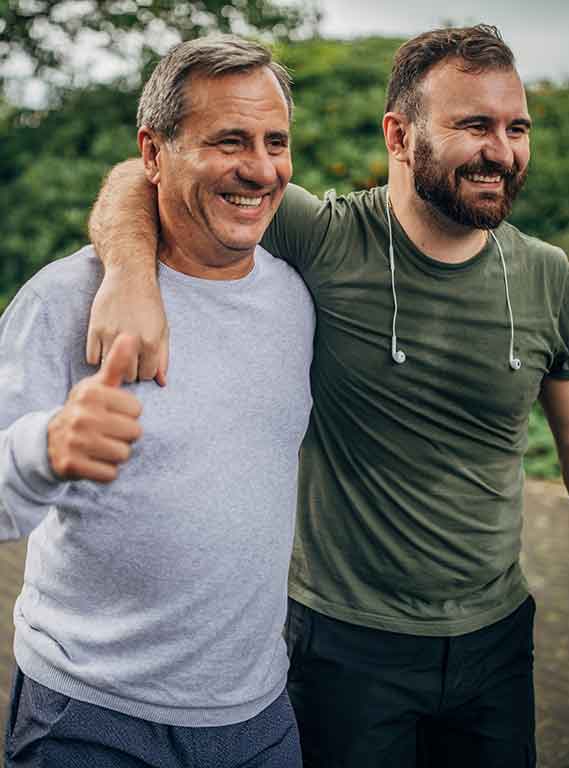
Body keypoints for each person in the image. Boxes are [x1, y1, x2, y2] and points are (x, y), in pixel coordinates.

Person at [84, 25, 569, 768]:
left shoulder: (546, 274)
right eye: (474, 125)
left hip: (497, 639)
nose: (502, 151)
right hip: (343, 645)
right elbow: (141, 173)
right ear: (400, 134)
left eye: (516, 128)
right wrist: (128, 275)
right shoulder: (325, 238)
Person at [0, 35, 315, 768]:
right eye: (230, 141)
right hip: (91, 714)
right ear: (152, 153)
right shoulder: (64, 299)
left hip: (260, 716)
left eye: (276, 142)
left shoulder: (299, 299)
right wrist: (44, 448)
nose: (261, 169)